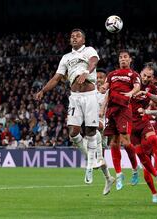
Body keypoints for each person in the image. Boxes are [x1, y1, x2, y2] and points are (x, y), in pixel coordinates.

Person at [35, 28, 114, 194]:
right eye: (72, 36)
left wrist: (86, 72)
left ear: (83, 39)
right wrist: (43, 90)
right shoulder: (66, 58)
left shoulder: (89, 50)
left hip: (90, 95)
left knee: (90, 131)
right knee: (73, 132)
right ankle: (89, 159)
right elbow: (57, 78)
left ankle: (90, 165)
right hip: (75, 97)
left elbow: (93, 62)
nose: (74, 38)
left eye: (77, 36)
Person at [130, 63, 157, 201]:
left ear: (152, 78)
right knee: (141, 156)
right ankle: (156, 185)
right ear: (140, 73)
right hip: (131, 125)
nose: (146, 78)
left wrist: (146, 93)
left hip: (143, 122)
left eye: (149, 76)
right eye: (144, 75)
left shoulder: (152, 88)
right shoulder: (131, 82)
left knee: (153, 139)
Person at [100, 50, 141, 190]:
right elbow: (107, 89)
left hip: (124, 109)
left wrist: (130, 93)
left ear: (130, 60)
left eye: (125, 57)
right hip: (111, 110)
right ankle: (119, 174)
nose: (123, 59)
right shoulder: (112, 74)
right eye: (121, 57)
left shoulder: (133, 74)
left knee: (125, 141)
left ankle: (135, 169)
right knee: (113, 143)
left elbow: (137, 86)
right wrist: (102, 90)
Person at [84, 68, 116, 195]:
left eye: (101, 77)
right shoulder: (91, 93)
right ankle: (108, 178)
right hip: (94, 125)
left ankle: (93, 162)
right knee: (100, 158)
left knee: (95, 130)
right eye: (96, 77)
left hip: (105, 123)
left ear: (106, 79)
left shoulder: (109, 93)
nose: (98, 80)